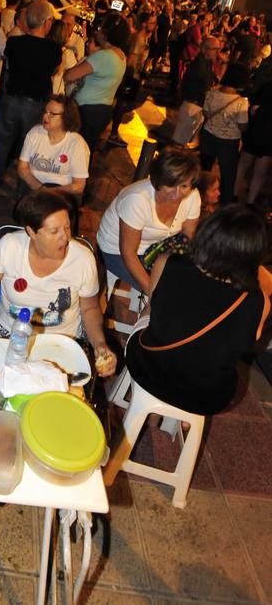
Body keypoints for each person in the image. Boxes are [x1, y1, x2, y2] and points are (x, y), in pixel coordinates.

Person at [124, 205, 271, 415]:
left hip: (148, 369)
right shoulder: (260, 302)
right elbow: (246, 343)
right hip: (206, 397)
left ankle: (152, 414)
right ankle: (182, 419)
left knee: (148, 308)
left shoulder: (168, 262)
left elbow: (153, 306)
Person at [0, 191, 116, 376]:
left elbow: (90, 309)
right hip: (9, 333)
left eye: (67, 227)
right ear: (31, 232)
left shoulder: (83, 259)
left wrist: (100, 344)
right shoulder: (10, 247)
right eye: (55, 231)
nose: (65, 237)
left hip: (63, 340)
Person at [97, 149, 201, 294]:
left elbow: (189, 235)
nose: (177, 193)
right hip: (116, 250)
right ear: (159, 180)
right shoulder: (137, 199)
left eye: (184, 186)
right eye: (171, 184)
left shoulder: (192, 196)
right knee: (153, 294)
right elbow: (128, 253)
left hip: (156, 247)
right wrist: (152, 291)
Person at [0, 0, 61, 187]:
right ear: (46, 22)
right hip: (36, 106)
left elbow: (8, 65)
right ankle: (22, 191)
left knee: (1, 144)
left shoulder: (13, 43)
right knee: (30, 150)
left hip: (11, 101)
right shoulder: (54, 49)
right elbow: (54, 70)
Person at [64, 13, 129, 151]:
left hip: (87, 110)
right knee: (86, 151)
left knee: (75, 151)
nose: (98, 31)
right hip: (103, 110)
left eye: (101, 28)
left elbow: (69, 76)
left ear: (106, 33)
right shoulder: (121, 56)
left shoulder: (102, 56)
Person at [17, 95, 89, 199]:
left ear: (66, 117)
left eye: (52, 114)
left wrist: (50, 192)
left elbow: (78, 186)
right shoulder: (35, 133)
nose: (45, 116)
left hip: (60, 193)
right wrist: (40, 189)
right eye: (45, 111)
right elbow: (22, 168)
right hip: (32, 187)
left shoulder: (77, 144)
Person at [199, 62, 250, 205]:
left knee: (204, 171)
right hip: (228, 142)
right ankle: (224, 207)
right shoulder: (241, 102)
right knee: (228, 176)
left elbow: (206, 112)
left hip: (208, 135)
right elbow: (243, 126)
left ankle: (198, 200)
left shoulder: (212, 92)